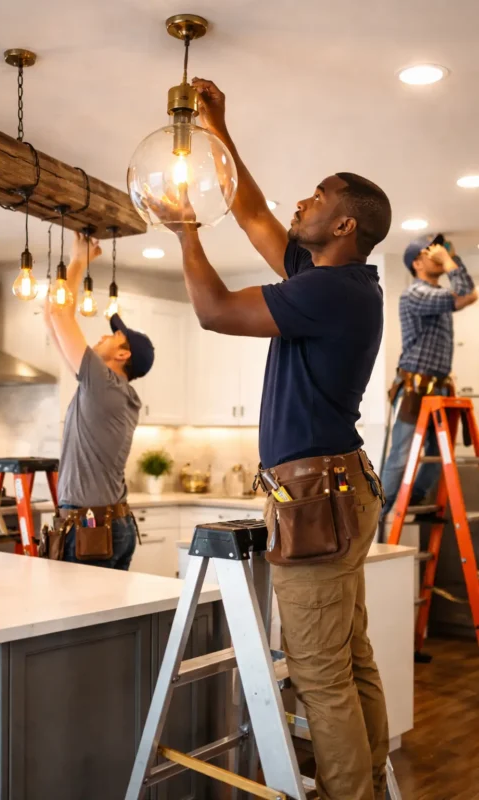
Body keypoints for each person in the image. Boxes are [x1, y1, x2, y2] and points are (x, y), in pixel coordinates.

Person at [148, 77, 392, 800]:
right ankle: (369, 784)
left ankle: (349, 794)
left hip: (316, 496)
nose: (300, 204)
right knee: (348, 658)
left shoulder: (329, 291)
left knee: (320, 672)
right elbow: (253, 212)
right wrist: (220, 126)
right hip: (340, 487)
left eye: (316, 198)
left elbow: (215, 311)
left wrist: (185, 228)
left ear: (345, 224)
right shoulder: (332, 280)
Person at [44, 232, 154, 569]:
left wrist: (80, 260)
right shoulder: (109, 389)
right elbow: (53, 317)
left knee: (82, 620)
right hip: (107, 525)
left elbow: (62, 316)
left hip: (91, 530)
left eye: (114, 334)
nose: (104, 335)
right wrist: (75, 266)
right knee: (108, 621)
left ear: (122, 354)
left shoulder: (103, 384)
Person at [380, 235, 477, 518]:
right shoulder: (416, 294)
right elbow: (465, 293)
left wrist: (451, 256)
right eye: (429, 251)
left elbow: (465, 293)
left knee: (437, 453)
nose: (436, 254)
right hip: (415, 386)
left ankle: (417, 497)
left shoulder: (436, 296)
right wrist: (449, 261)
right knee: (400, 454)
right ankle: (379, 515)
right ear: (417, 262)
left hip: (440, 388)